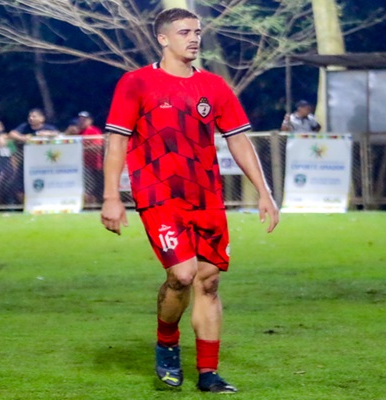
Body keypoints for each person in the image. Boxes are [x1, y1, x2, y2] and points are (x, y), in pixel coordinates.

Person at [101, 8, 279, 394]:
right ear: (163, 38)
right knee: (182, 275)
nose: (194, 38)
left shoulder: (213, 86)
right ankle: (167, 344)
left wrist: (264, 192)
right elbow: (116, 142)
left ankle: (209, 373)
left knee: (209, 281)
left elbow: (238, 139)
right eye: (184, 32)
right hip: (158, 196)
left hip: (206, 197)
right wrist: (111, 196)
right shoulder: (136, 82)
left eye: (197, 32)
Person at [7, 109, 60, 203]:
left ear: (42, 118)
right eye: (30, 116)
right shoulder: (24, 127)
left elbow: (57, 134)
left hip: (44, 164)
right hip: (26, 162)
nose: (31, 118)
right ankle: (26, 205)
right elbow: (12, 134)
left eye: (34, 116)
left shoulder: (48, 128)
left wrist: (46, 134)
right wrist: (22, 138)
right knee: (19, 186)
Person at [74, 111, 104, 205]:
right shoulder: (78, 132)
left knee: (92, 187)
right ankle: (88, 204)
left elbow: (98, 146)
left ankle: (92, 204)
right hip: (81, 164)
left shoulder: (94, 131)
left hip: (93, 164)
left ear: (90, 121)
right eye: (80, 120)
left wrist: (81, 148)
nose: (81, 122)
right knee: (86, 187)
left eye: (84, 120)